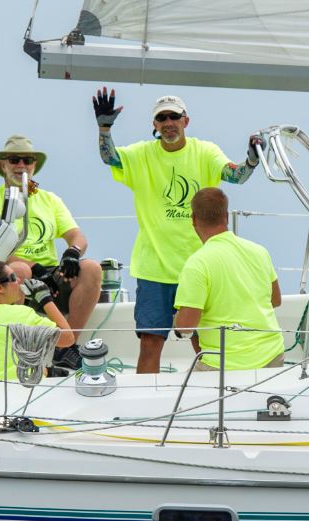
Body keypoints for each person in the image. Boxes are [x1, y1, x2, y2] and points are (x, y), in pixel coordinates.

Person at [93, 87, 266, 373]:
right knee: (150, 343)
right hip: (154, 269)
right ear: (155, 125)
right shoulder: (141, 154)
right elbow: (110, 158)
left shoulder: (205, 151)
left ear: (186, 121)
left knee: (203, 344)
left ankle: (211, 401)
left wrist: (252, 159)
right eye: (162, 118)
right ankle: (146, 409)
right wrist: (104, 129)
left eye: (174, 116)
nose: (168, 122)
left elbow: (236, 176)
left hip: (199, 268)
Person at [0, 134, 100, 371]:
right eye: (15, 159)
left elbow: (77, 236)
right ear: (3, 165)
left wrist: (72, 252)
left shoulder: (48, 199)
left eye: (27, 160)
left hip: (50, 273)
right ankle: (23, 352)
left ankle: (66, 348)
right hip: (15, 274)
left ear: (34, 165)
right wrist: (32, 266)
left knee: (91, 268)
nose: (21, 165)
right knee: (18, 270)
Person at [172, 188, 283, 371]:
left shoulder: (197, 264)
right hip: (272, 357)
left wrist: (177, 319)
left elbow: (185, 327)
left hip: (224, 365)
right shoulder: (259, 251)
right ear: (226, 216)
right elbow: (275, 300)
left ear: (193, 219)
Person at [0, 261, 74, 382]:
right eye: (13, 277)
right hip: (20, 391)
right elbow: (68, 338)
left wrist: (47, 371)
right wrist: (45, 299)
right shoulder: (21, 314)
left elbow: (0, 364)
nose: (18, 280)